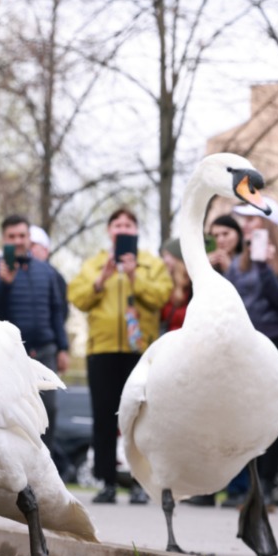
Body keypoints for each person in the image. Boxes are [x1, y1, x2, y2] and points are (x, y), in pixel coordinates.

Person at [68, 208, 172, 505]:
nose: (122, 229)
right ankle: (107, 482)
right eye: (117, 225)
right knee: (103, 417)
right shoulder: (94, 264)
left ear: (136, 231)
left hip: (140, 351)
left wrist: (134, 275)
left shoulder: (151, 264)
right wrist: (102, 279)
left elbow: (160, 297)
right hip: (102, 350)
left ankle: (141, 483)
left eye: (128, 224)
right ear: (109, 231)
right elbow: (78, 297)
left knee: (140, 419)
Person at [222, 198, 278, 506]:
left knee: (271, 418)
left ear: (268, 224)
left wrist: (265, 267)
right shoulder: (237, 263)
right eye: (244, 221)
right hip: (244, 345)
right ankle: (241, 486)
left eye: (252, 220)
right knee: (242, 418)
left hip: (276, 344)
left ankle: (266, 486)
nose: (246, 225)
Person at [0, 215, 73, 481]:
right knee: (14, 413)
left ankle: (46, 472)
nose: (18, 241)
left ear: (29, 238)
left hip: (45, 350)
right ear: (4, 239)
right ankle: (14, 473)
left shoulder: (46, 270)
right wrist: (4, 283)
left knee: (50, 410)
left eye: (22, 236)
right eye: (12, 237)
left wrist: (63, 347)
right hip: (11, 352)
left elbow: (57, 311)